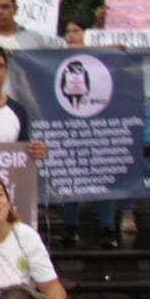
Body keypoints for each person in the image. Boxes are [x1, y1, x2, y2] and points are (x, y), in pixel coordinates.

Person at [58, 14, 118, 247]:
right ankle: (70, 226)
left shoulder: (98, 56)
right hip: (68, 131)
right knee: (71, 179)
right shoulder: (55, 58)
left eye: (76, 31)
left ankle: (108, 229)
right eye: (68, 32)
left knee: (102, 179)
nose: (71, 36)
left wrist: (116, 48)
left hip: (98, 130)